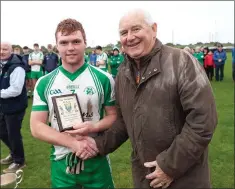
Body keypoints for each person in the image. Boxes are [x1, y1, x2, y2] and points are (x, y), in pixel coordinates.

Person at [71, 9, 218, 188]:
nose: (130, 37)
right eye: (124, 33)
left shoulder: (181, 62)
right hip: (144, 178)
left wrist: (169, 166)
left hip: (185, 178)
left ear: (154, 29)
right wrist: (97, 143)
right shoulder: (124, 73)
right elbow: (124, 123)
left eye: (136, 29)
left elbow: (203, 121)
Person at [30, 18, 116, 188]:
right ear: (57, 46)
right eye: (64, 42)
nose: (70, 48)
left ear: (85, 43)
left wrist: (94, 127)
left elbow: (114, 116)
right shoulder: (44, 82)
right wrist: (73, 143)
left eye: (76, 41)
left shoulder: (104, 79)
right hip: (62, 161)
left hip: (96, 157)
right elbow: (36, 126)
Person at [0, 42, 27, 173]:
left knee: (13, 134)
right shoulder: (2, 64)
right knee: (2, 132)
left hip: (16, 105)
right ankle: (14, 153)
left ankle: (19, 161)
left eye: (4, 49)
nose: (1, 51)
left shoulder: (17, 67)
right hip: (4, 105)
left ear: (11, 51)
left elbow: (16, 90)